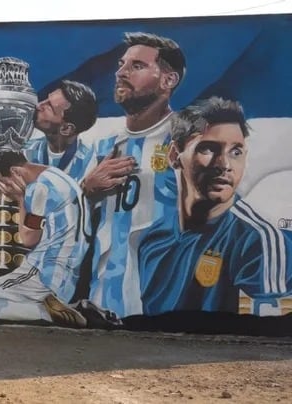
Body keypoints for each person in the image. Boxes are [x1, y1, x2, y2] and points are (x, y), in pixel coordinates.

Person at [138, 97, 292, 315]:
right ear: (174, 156)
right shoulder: (152, 241)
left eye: (236, 152)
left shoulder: (256, 241)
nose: (225, 165)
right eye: (209, 149)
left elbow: (264, 341)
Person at [81, 32, 186, 318]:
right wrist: (86, 191)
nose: (120, 72)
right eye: (121, 64)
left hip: (165, 310)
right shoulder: (104, 145)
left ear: (168, 80)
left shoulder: (189, 140)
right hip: (101, 303)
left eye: (136, 66)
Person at [0, 151, 90, 327]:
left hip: (45, 270)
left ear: (16, 172)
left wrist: (20, 198)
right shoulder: (58, 176)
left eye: (6, 183)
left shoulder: (40, 188)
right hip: (66, 270)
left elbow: (28, 239)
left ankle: (51, 315)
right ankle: (78, 309)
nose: (6, 192)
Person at [23, 80, 98, 181]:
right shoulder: (26, 151)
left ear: (66, 129)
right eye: (46, 99)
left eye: (49, 107)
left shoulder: (89, 165)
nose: (39, 105)